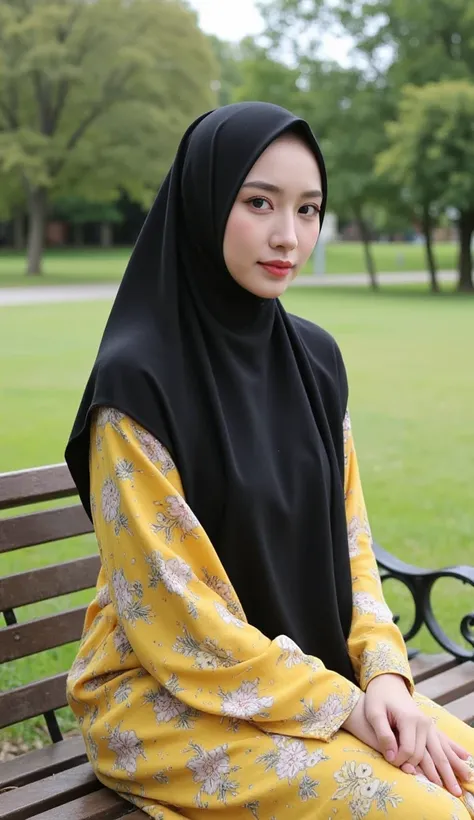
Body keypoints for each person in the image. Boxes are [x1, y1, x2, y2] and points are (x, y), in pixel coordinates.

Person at [65, 102, 474, 820]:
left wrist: (384, 678)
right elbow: (178, 614)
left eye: (309, 209)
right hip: (159, 701)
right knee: (428, 813)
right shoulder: (138, 385)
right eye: (259, 203)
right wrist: (340, 702)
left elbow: (354, 551)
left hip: (312, 682)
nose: (290, 236)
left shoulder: (315, 361)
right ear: (205, 200)